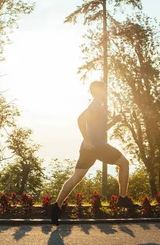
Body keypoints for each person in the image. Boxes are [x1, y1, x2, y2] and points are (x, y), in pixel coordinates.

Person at [49, 81, 134, 225]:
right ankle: (123, 198)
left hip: (91, 147)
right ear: (98, 91)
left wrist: (113, 122)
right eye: (104, 89)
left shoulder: (98, 107)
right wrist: (87, 139)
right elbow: (80, 119)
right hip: (96, 146)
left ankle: (55, 207)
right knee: (124, 163)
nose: (106, 91)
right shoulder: (95, 105)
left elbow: (100, 130)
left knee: (76, 177)